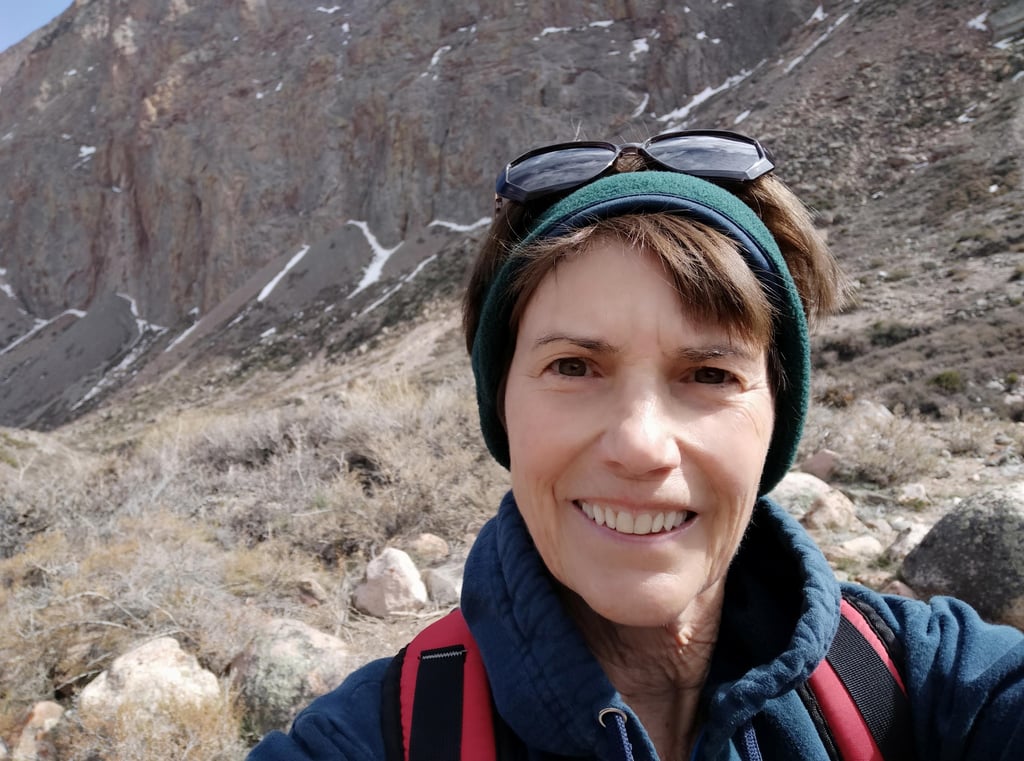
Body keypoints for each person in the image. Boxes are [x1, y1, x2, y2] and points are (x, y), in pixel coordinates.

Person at [248, 130, 1024, 760]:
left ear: (777, 418)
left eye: (710, 373)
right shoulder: (378, 740)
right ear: (503, 408)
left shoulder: (923, 679)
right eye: (574, 366)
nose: (641, 445)